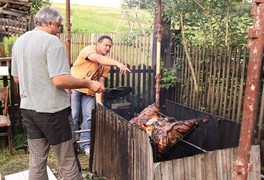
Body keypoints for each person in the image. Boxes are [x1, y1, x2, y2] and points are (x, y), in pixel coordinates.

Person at [11, 6, 105, 180]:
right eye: (59, 26)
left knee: (37, 159)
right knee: (67, 160)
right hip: (53, 112)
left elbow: (17, 78)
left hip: (29, 110)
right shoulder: (51, 42)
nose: (59, 30)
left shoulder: (20, 42)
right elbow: (60, 80)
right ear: (49, 23)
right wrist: (88, 83)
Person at [71, 35, 130, 156]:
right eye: (106, 45)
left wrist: (99, 102)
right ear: (98, 44)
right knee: (74, 116)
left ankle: (85, 145)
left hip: (89, 91)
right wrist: (118, 63)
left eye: (110, 46)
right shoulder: (88, 50)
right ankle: (72, 144)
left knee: (89, 117)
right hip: (75, 87)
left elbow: (100, 82)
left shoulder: (106, 64)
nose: (108, 48)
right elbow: (97, 58)